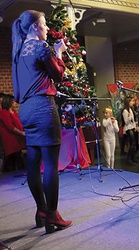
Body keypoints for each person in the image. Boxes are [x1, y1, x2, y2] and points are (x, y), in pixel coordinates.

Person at [11, 10, 72, 233]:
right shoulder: (40, 47)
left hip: (25, 110)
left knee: (33, 164)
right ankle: (53, 215)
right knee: (51, 165)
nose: (47, 28)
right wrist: (58, 52)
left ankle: (41, 210)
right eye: (44, 24)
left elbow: (16, 94)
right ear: (35, 27)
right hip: (43, 108)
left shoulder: (17, 52)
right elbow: (58, 76)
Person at [0, 94, 26, 171]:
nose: (15, 102)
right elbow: (10, 127)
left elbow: (18, 123)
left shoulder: (13, 111)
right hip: (10, 139)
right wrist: (22, 133)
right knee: (12, 160)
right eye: (13, 101)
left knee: (19, 158)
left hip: (17, 138)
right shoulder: (3, 113)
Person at [122, 97, 139, 163]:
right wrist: (129, 117)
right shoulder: (125, 111)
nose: (133, 103)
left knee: (134, 143)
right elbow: (126, 122)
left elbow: (133, 120)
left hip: (132, 127)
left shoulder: (130, 109)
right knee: (132, 143)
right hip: (128, 128)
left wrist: (136, 126)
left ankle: (133, 157)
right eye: (131, 101)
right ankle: (128, 158)